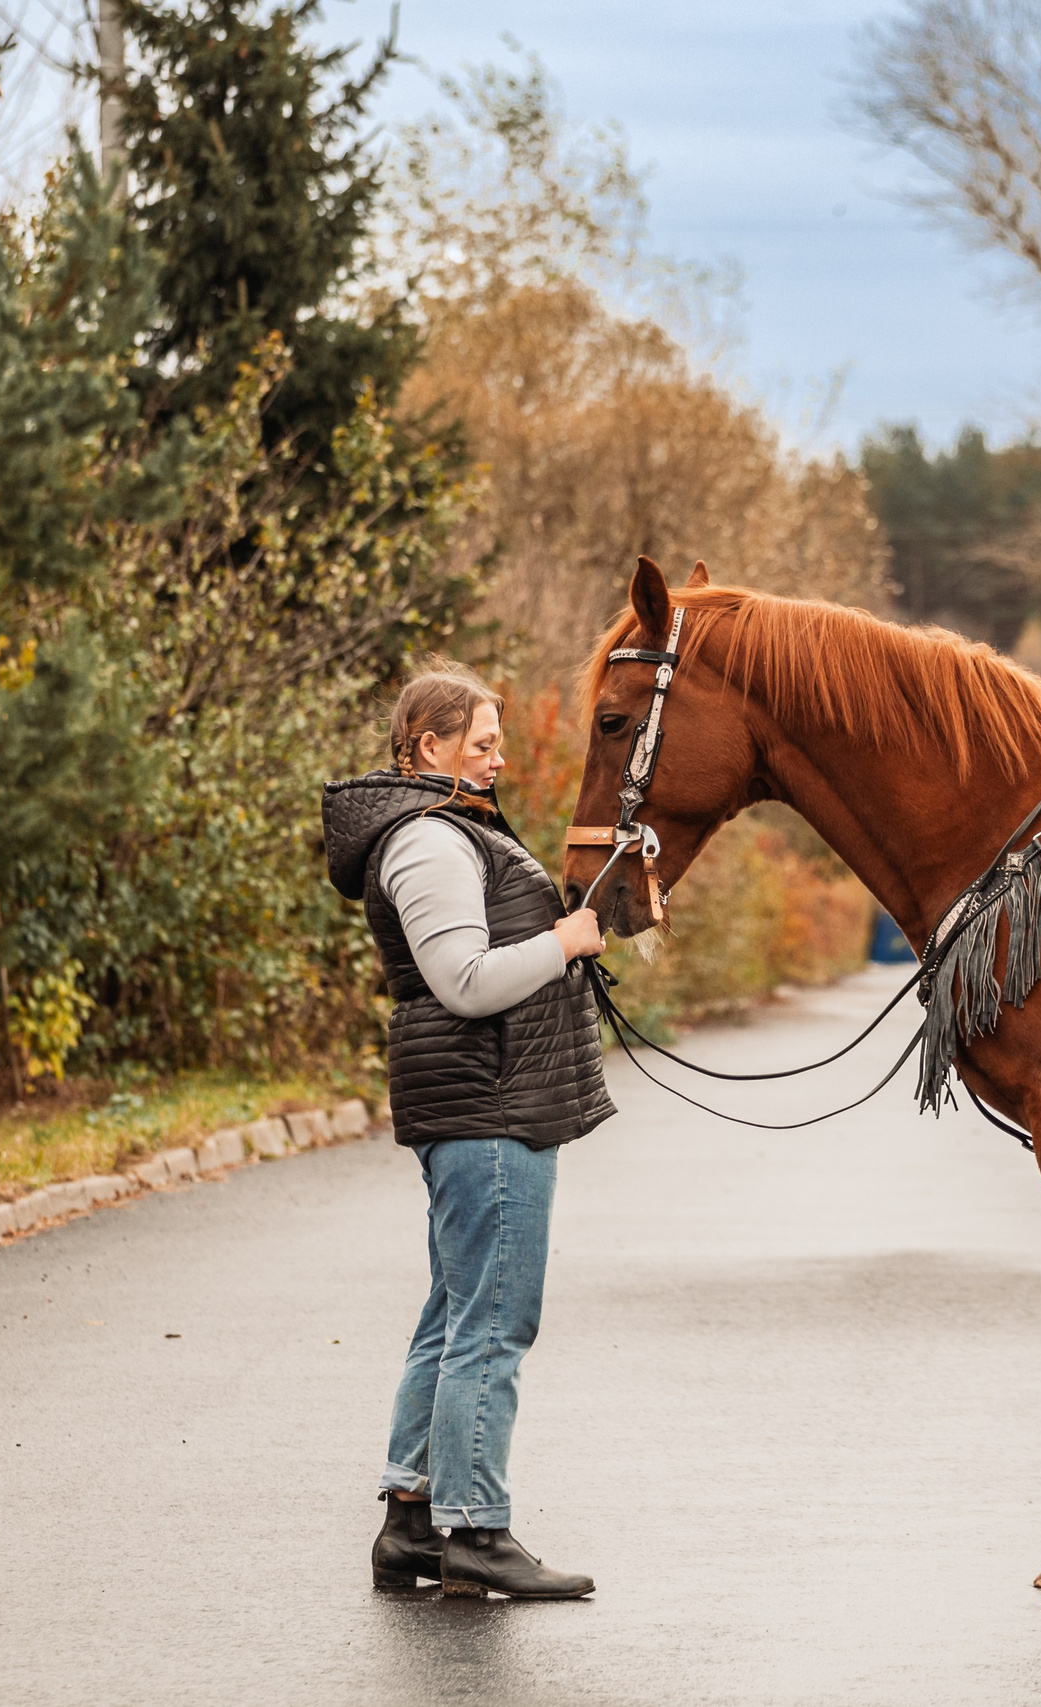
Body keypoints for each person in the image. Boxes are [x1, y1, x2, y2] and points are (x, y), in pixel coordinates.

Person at [320, 666, 614, 1598]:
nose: (497, 756)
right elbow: (465, 980)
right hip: (487, 1103)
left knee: (454, 1312)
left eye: (496, 740)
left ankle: (411, 1520)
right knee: (493, 1319)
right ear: (425, 747)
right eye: (479, 742)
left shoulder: (451, 829)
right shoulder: (427, 841)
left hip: (488, 1097)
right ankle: (476, 1528)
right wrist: (564, 944)